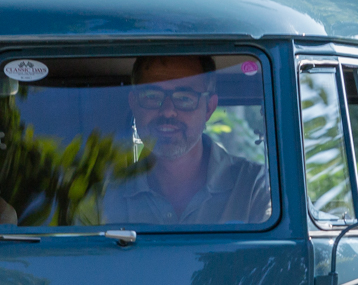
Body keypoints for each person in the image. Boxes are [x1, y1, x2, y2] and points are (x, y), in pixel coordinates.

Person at [100, 55, 271, 225]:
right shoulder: (107, 195)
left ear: (209, 108)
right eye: (152, 96)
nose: (167, 111)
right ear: (133, 103)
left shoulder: (256, 188)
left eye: (184, 98)